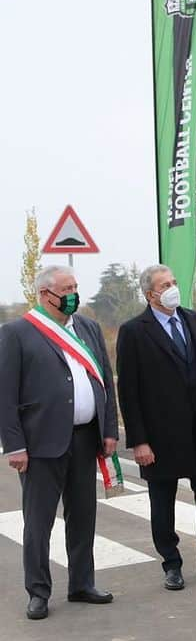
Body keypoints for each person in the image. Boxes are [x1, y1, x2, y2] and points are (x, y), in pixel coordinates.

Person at [0, 265, 118, 620]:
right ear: (44, 294)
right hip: (40, 445)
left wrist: (109, 430)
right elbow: (5, 394)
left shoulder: (88, 328)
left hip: (85, 438)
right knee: (39, 522)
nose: (72, 295)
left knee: (83, 516)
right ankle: (38, 591)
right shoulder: (18, 333)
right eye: (66, 289)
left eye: (75, 287)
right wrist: (14, 445)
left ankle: (82, 583)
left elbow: (105, 383)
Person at [115, 265, 196, 591]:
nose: (172, 288)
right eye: (165, 284)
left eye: (174, 281)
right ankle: (171, 562)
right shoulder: (134, 332)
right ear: (150, 294)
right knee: (162, 501)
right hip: (160, 435)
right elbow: (129, 391)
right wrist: (139, 441)